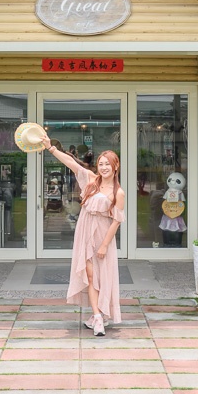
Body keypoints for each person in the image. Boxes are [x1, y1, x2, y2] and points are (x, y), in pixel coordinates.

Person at [41, 132, 124, 336]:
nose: (104, 167)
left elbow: (116, 221)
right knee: (90, 274)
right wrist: (51, 148)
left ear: (115, 166)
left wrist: (104, 245)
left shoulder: (118, 193)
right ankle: (97, 316)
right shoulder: (91, 180)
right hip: (85, 231)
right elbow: (71, 163)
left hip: (103, 234)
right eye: (101, 163)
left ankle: (102, 312)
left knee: (103, 276)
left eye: (108, 164)